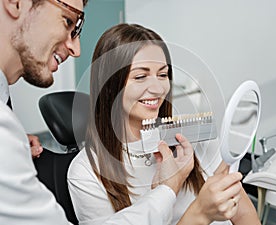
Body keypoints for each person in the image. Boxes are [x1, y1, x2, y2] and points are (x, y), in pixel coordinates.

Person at [0, 1, 201, 225]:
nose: (76, 50)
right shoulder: (85, 172)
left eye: (163, 75)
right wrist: (185, 203)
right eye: (67, 20)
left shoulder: (186, 146)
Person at [67, 23, 261, 225]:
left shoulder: (195, 137)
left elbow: (243, 213)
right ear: (109, 85)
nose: (158, 88)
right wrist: (200, 213)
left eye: (163, 74)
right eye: (140, 77)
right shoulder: (85, 173)